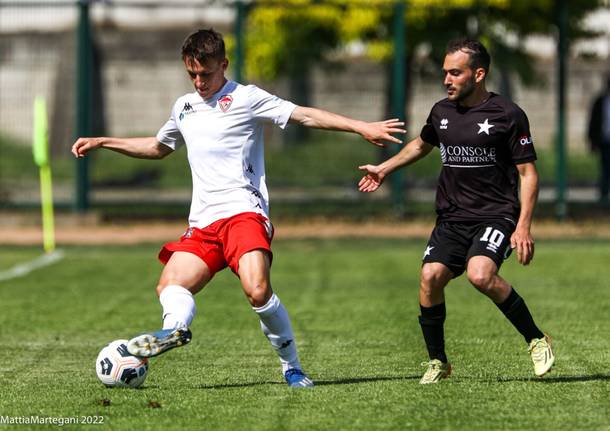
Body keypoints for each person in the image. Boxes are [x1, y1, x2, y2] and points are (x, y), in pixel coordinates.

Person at [72, 28, 405, 388]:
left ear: (224, 65)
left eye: (206, 73)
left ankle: (291, 367)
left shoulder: (246, 98)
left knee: (257, 290)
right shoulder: (183, 108)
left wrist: (360, 126)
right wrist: (104, 141)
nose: (199, 81)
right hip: (203, 224)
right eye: (192, 74)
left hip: (244, 214)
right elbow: (157, 146)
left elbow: (304, 115)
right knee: (170, 283)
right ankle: (173, 332)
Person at [358, 38, 554, 384]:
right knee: (430, 278)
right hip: (451, 217)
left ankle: (536, 339)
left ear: (479, 74)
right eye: (444, 72)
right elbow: (421, 144)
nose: (446, 79)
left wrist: (523, 226)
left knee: (481, 274)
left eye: (455, 72)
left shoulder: (508, 115)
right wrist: (384, 169)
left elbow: (528, 174)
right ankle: (438, 362)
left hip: (496, 215)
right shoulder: (441, 112)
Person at [587, 73, 610, 204]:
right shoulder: (600, 101)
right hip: (605, 140)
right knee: (605, 169)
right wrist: (592, 140)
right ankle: (604, 196)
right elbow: (593, 122)